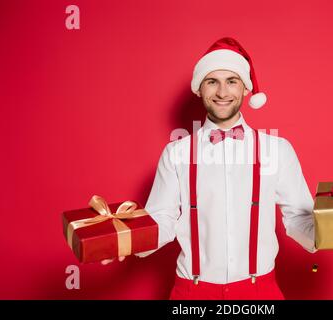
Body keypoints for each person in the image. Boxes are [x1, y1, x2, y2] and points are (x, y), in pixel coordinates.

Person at [103, 37, 317, 300]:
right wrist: (125, 241)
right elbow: (162, 218)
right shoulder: (176, 153)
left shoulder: (278, 149)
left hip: (260, 294)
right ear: (198, 89)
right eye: (212, 81)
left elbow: (299, 217)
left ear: (246, 89)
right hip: (191, 293)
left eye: (232, 81)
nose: (222, 92)